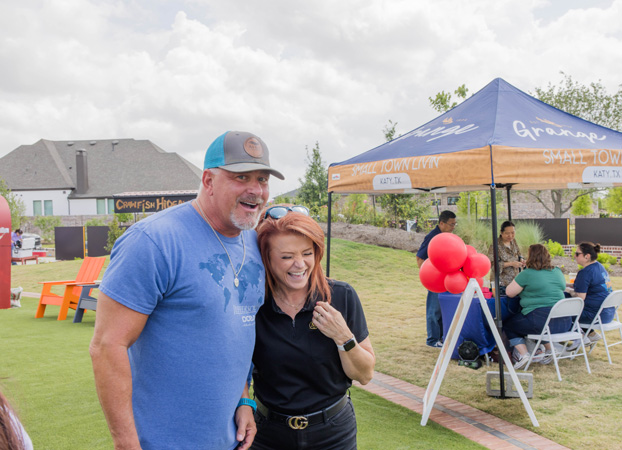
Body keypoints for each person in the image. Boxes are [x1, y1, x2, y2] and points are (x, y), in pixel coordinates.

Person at [90, 131, 284, 450]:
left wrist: (244, 399)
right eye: (241, 177)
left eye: (262, 179)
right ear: (208, 181)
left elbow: (233, 336)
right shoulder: (153, 241)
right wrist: (126, 444)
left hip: (230, 440)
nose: (256, 190)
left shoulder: (254, 242)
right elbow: (107, 346)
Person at [251, 205, 375, 450]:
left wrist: (343, 336)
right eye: (286, 257)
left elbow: (364, 375)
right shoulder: (253, 303)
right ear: (266, 258)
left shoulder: (341, 296)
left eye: (307, 253)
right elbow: (234, 368)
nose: (299, 264)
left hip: (333, 434)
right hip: (268, 434)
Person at [503, 244, 569, 369]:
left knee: (509, 324)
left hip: (540, 321)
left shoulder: (527, 274)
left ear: (530, 257)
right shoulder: (557, 271)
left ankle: (523, 355)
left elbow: (509, 292)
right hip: (564, 322)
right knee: (540, 324)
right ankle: (549, 350)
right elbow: (562, 287)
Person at [416, 210, 457, 348]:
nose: (453, 227)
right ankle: (432, 339)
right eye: (451, 224)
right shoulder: (432, 237)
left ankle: (441, 337)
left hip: (447, 280)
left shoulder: (447, 237)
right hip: (435, 281)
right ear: (441, 223)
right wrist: (429, 276)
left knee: (443, 310)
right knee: (434, 311)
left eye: (455, 224)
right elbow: (420, 257)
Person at [571, 242, 614, 345]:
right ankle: (591, 334)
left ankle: (580, 338)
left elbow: (580, 297)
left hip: (595, 316)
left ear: (587, 256)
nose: (574, 256)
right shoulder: (599, 266)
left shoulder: (585, 272)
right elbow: (590, 286)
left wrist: (568, 291)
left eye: (577, 254)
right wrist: (567, 285)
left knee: (562, 312)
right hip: (608, 313)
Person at [487, 221, 525, 296]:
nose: (510, 236)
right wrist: (511, 264)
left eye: (513, 233)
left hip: (514, 282)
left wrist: (521, 260)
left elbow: (519, 254)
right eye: (507, 233)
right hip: (501, 283)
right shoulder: (495, 245)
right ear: (501, 232)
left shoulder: (513, 242)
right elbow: (492, 264)